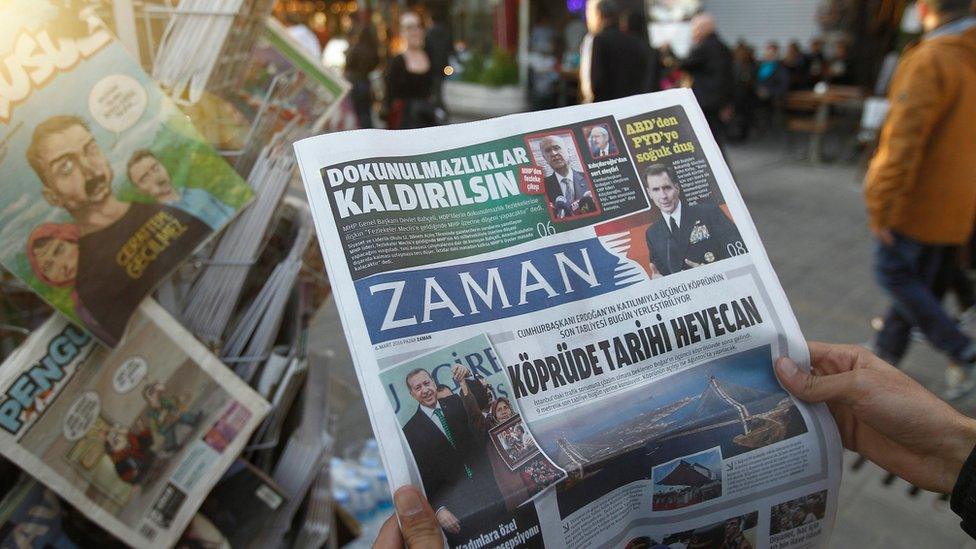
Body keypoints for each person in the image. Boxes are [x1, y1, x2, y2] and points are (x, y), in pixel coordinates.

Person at [376, 341, 976, 547]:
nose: (431, 387)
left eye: (432, 380)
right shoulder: (412, 429)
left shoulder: (463, 399)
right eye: (421, 384)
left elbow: (486, 424)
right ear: (412, 393)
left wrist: (956, 452)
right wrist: (955, 454)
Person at [864, 0, 976, 397]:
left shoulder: (931, 60)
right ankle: (883, 355)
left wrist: (880, 205)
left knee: (894, 275)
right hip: (957, 205)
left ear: (925, 8)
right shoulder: (966, 56)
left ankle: (961, 348)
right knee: (920, 285)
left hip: (918, 205)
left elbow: (901, 145)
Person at [26, 115, 210, 345]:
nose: (89, 169)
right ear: (52, 196)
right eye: (66, 167)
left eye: (90, 149)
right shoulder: (90, 284)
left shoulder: (162, 210)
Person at [400, 366, 503, 542]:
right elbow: (421, 476)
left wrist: (467, 374)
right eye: (418, 388)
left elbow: (482, 398)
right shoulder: (409, 431)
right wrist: (438, 508)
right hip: (456, 509)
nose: (425, 390)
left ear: (434, 382)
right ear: (412, 394)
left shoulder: (455, 402)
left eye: (427, 383)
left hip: (488, 488)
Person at [643, 164, 744, 276]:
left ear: (677, 188)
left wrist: (714, 271)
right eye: (656, 190)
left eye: (667, 188)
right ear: (649, 193)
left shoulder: (709, 213)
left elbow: (740, 251)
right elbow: (660, 272)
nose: (663, 196)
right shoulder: (652, 233)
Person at [127, 150, 234, 230]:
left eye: (155, 168)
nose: (156, 176)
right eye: (145, 178)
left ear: (163, 166)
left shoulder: (198, 192)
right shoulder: (161, 224)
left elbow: (233, 212)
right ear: (140, 191)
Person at [680, 13, 734, 145]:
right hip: (717, 100)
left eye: (695, 27)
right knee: (715, 138)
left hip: (705, 100)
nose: (693, 31)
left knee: (707, 139)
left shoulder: (703, 47)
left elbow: (685, 64)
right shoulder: (723, 47)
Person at [587, 0, 650, 102]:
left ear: (599, 14)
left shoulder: (600, 40)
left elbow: (597, 80)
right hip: (631, 102)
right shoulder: (633, 41)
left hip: (607, 103)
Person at [385, 12, 437, 129]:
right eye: (409, 28)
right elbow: (389, 98)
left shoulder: (430, 56)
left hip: (428, 120)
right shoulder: (397, 61)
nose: (414, 31)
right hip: (404, 123)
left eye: (418, 26)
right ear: (402, 32)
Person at [540, 135, 595, 218]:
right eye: (548, 151)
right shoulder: (542, 188)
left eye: (557, 148)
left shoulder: (590, 178)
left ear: (568, 152)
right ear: (545, 158)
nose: (553, 153)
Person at [344, 20, 380, 129]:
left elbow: (349, 64)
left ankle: (362, 131)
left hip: (356, 82)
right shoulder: (373, 50)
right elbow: (376, 63)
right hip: (366, 82)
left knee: (358, 111)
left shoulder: (356, 48)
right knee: (367, 110)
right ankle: (368, 130)